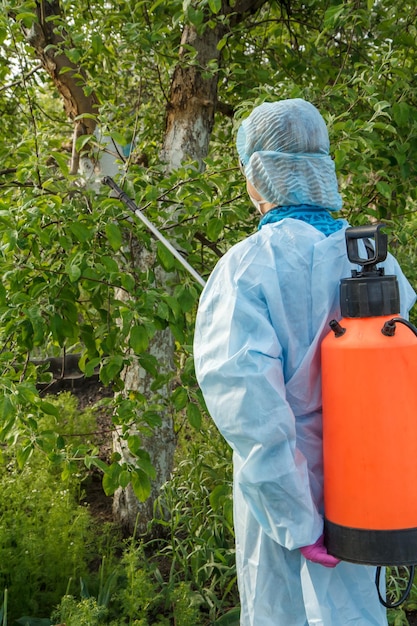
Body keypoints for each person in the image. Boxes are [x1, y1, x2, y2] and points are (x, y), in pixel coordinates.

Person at [193, 98, 416, 626]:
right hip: (365, 487)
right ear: (322, 165)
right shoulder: (377, 262)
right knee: (355, 613)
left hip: (279, 500)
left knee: (279, 614)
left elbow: (251, 410)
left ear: (259, 175)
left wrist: (296, 519)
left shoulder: (246, 268)